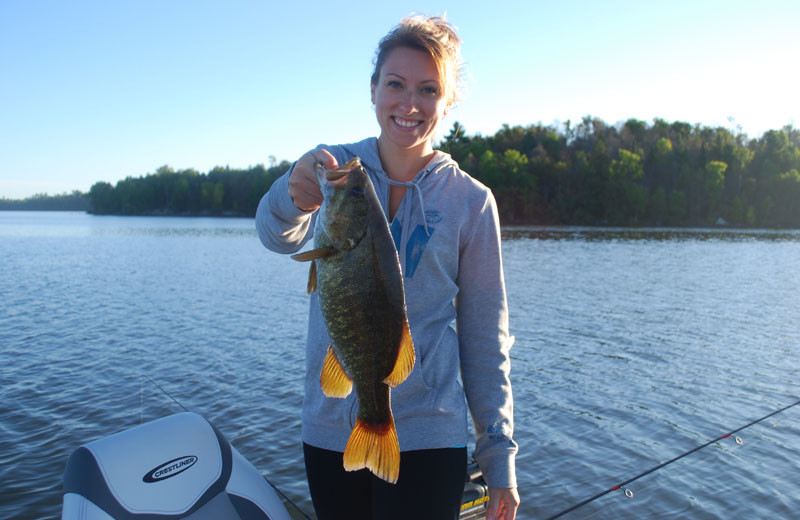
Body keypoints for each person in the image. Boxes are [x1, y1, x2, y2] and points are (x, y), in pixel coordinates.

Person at [256, 15, 518, 520]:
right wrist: (291, 192)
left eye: (428, 89)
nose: (409, 104)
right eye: (395, 84)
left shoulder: (471, 203)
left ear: (447, 101)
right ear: (373, 88)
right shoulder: (334, 171)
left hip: (431, 434)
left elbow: (485, 339)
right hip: (331, 431)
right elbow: (275, 235)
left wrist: (498, 453)